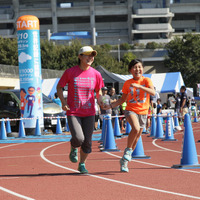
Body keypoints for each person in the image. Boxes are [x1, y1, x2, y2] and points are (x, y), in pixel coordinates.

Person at [56, 46, 104, 174]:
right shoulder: (70, 72)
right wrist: (63, 102)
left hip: (89, 112)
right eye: (87, 55)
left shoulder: (96, 74)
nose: (90, 58)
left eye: (92, 55)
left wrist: (101, 101)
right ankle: (73, 146)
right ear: (80, 56)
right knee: (78, 138)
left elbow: (98, 91)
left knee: (87, 142)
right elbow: (59, 87)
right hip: (73, 112)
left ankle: (82, 164)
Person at [104, 59, 155, 172]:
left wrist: (140, 87)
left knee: (137, 137)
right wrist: (111, 106)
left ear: (142, 69)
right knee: (135, 129)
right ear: (130, 70)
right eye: (135, 67)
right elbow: (122, 99)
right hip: (130, 110)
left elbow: (153, 92)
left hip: (143, 112)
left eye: (139, 67)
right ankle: (128, 150)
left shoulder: (146, 80)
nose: (137, 69)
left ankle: (124, 162)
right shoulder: (127, 83)